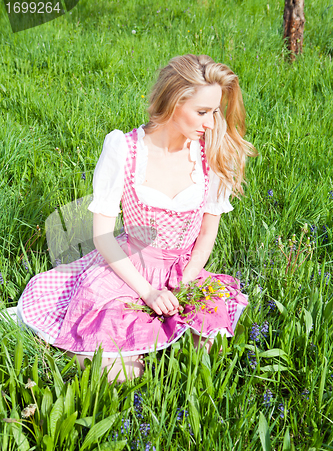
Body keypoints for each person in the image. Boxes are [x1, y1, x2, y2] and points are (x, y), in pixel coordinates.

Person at [17, 54, 257, 383]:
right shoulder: (124, 149)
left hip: (181, 272)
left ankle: (162, 340)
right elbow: (102, 237)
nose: (212, 123)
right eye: (202, 112)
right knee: (121, 375)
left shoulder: (209, 154)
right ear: (174, 102)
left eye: (215, 111)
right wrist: (149, 292)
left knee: (211, 351)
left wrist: (184, 282)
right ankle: (108, 349)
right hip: (127, 270)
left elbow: (206, 235)